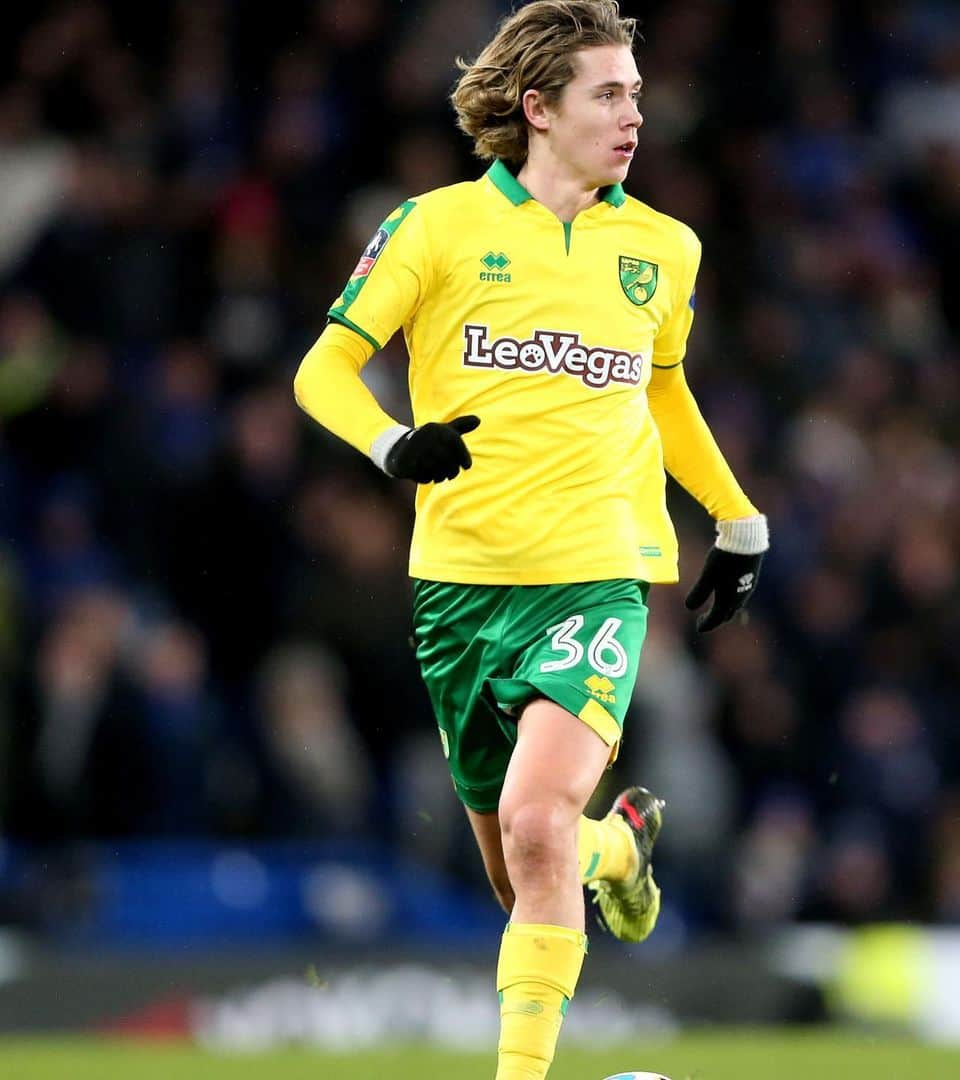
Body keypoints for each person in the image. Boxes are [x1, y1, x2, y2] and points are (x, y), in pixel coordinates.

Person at [293, 3, 768, 1076]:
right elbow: (321, 368)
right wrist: (391, 445)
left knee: (537, 823)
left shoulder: (663, 247)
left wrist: (736, 518)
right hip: (458, 590)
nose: (634, 113)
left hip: (595, 576)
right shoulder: (436, 227)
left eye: (638, 92)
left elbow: (665, 391)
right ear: (537, 107)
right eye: (609, 92)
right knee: (530, 867)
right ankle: (623, 845)